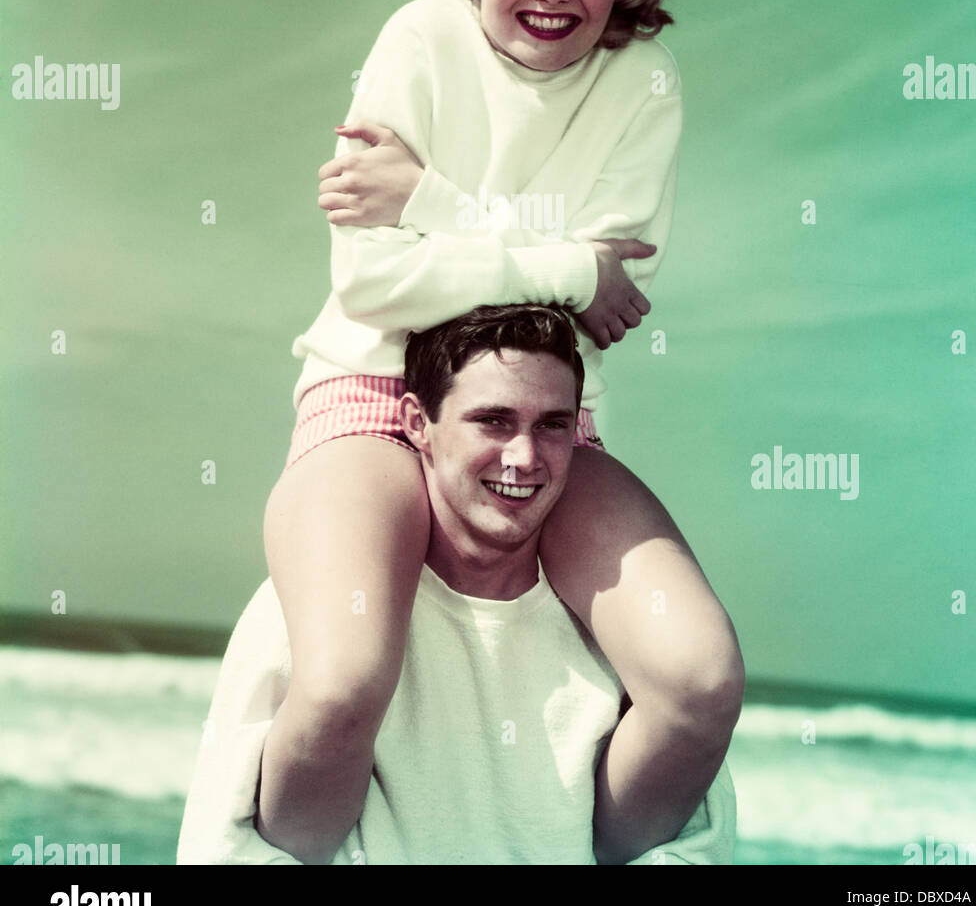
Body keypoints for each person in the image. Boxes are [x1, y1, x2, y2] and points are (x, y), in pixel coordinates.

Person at [258, 0, 744, 866]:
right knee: (343, 683)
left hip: (546, 416)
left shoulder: (643, 81)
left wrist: (428, 202)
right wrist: (568, 264)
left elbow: (611, 299)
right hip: (369, 384)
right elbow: (375, 280)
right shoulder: (423, 38)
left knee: (698, 680)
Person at [178, 306, 736, 865]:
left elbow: (688, 846)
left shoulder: (618, 619)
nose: (524, 457)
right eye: (493, 420)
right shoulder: (323, 605)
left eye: (552, 425)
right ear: (419, 423)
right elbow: (230, 845)